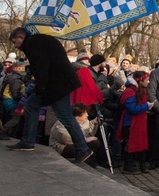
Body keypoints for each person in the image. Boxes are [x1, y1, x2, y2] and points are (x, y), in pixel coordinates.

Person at [6, 28, 94, 163]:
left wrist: (40, 88)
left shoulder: (34, 44)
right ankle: (81, 149)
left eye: (15, 41)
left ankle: (82, 149)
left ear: (21, 37)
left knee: (63, 116)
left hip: (56, 85)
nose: (15, 45)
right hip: (59, 83)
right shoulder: (38, 41)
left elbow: (42, 66)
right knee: (36, 106)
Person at [117, 71, 154, 174]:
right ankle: (128, 167)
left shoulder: (139, 90)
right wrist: (146, 106)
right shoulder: (130, 91)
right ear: (140, 81)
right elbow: (132, 108)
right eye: (146, 80)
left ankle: (142, 165)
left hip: (139, 122)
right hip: (130, 123)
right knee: (130, 144)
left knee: (141, 143)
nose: (148, 82)